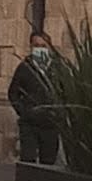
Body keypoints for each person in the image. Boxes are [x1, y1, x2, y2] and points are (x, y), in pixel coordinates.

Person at [7, 35, 62, 164]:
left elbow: (65, 92)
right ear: (31, 47)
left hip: (50, 124)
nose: (40, 49)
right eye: (36, 46)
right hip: (29, 124)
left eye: (43, 46)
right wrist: (24, 111)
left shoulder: (57, 68)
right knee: (28, 160)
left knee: (48, 162)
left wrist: (59, 113)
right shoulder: (25, 68)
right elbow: (13, 93)